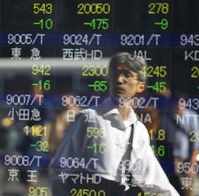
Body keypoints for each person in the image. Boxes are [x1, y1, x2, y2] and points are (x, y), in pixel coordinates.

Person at [49, 52, 179, 195]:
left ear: (140, 86)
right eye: (115, 74)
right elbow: (60, 169)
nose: (119, 79)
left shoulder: (138, 130)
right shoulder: (89, 118)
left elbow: (154, 180)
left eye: (127, 75)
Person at [160, 92, 199, 196]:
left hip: (188, 160)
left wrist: (192, 162)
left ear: (185, 104)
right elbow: (163, 139)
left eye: (181, 103)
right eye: (176, 102)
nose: (179, 106)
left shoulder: (192, 116)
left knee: (188, 190)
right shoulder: (166, 118)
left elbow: (196, 142)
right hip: (173, 160)